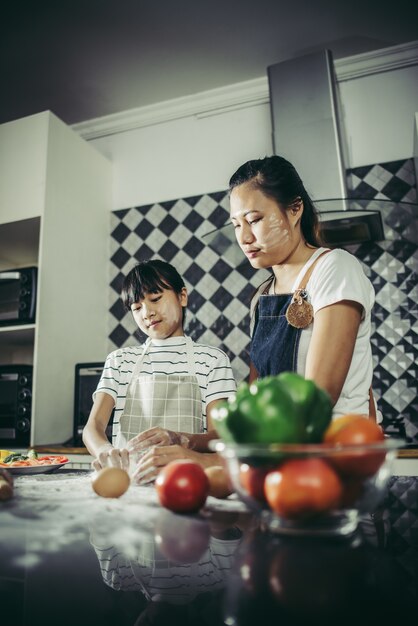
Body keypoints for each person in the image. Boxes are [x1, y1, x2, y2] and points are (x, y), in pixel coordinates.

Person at [228, 155, 379, 420]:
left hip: (336, 448)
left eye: (254, 220)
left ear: (295, 209)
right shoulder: (262, 297)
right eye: (236, 225)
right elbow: (255, 398)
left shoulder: (334, 267)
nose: (244, 237)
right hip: (279, 449)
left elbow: (319, 398)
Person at [82, 259, 236, 483]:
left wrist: (182, 439)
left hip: (185, 482)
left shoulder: (212, 360)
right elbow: (93, 427)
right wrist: (105, 450)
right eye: (136, 308)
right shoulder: (120, 361)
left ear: (182, 296)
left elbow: (220, 435)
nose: (147, 312)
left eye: (155, 299)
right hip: (129, 483)